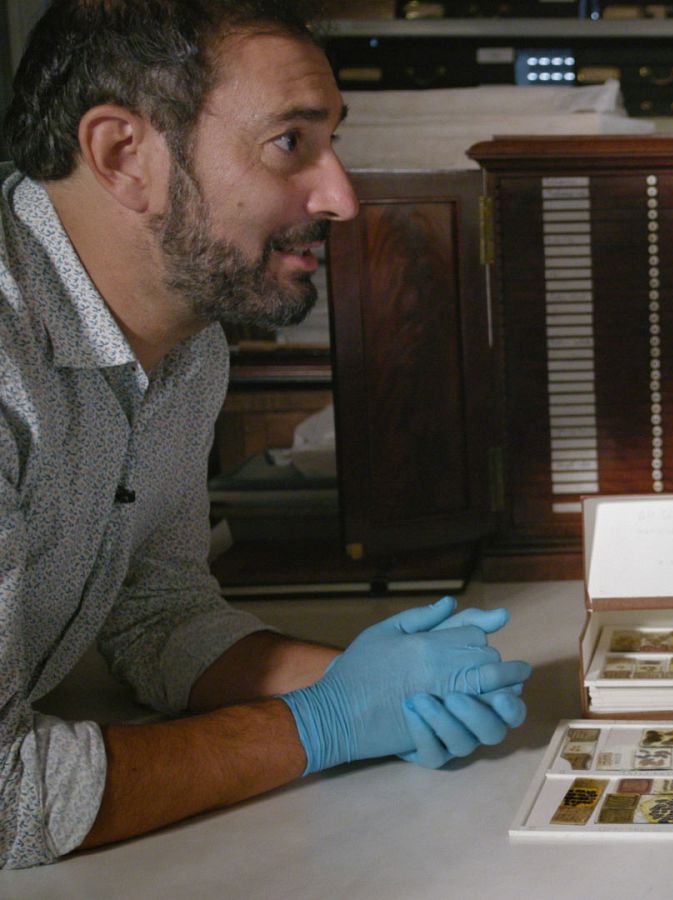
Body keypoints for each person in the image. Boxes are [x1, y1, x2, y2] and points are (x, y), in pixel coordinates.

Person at [0, 0, 533, 869]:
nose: (342, 198)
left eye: (332, 143)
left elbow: (156, 613)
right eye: (290, 143)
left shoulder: (187, 347)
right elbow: (7, 798)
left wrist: (374, 685)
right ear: (123, 155)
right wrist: (322, 724)